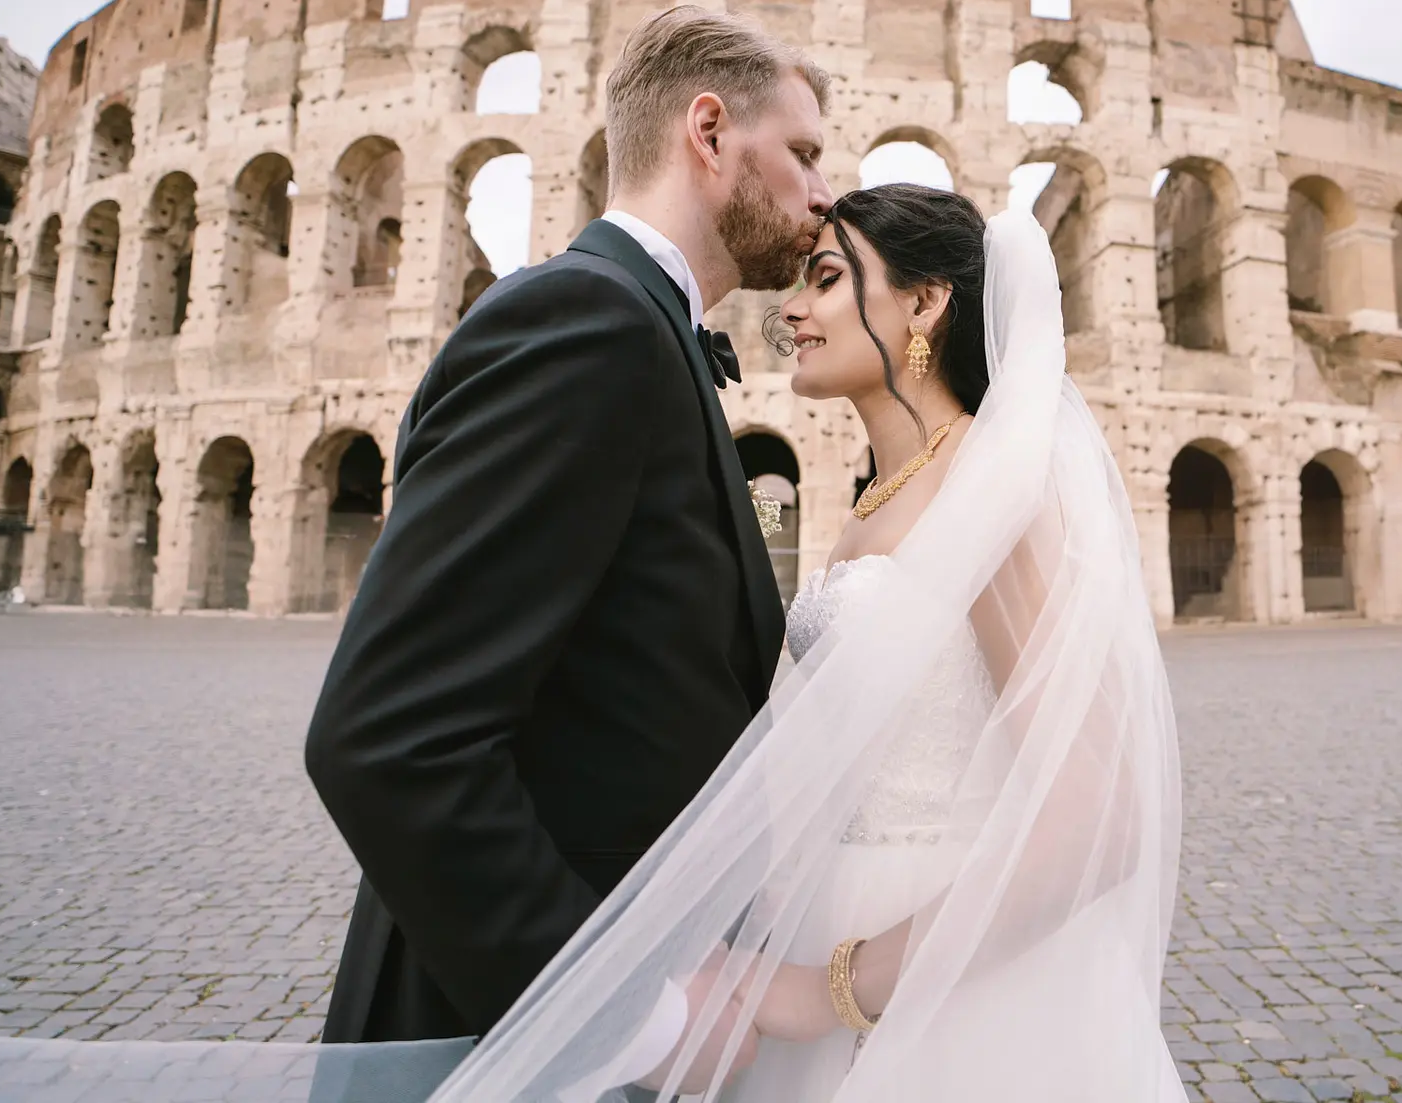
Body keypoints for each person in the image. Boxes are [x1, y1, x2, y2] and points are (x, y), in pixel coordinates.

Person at [426, 186, 1184, 1102]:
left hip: (957, 963)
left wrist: (830, 988)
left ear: (925, 301)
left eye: (827, 279)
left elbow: (1098, 820)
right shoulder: (883, 492)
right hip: (834, 917)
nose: (791, 308)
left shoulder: (991, 483)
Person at [303, 4, 834, 1094]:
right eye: (805, 152)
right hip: (512, 1034)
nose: (823, 192)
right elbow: (390, 737)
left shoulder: (636, 327)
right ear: (708, 131)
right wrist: (629, 1020)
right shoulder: (584, 325)